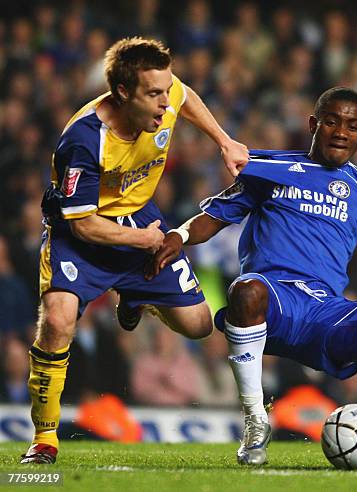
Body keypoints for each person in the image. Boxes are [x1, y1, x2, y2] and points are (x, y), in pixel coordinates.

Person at [149, 87, 357, 468]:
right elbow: (213, 218)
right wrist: (179, 235)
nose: (341, 132)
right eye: (331, 121)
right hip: (273, 299)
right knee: (245, 290)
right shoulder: (267, 168)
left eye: (353, 125)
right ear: (314, 124)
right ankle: (254, 420)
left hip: (326, 314)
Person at [21, 37, 249, 464]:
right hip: (81, 234)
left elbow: (184, 93)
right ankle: (44, 438)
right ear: (122, 92)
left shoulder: (164, 98)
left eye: (165, 91)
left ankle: (135, 300)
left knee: (199, 325)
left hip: (140, 218)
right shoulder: (85, 140)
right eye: (153, 94)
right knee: (56, 321)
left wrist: (223, 140)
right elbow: (83, 223)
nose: (165, 103)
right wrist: (144, 240)